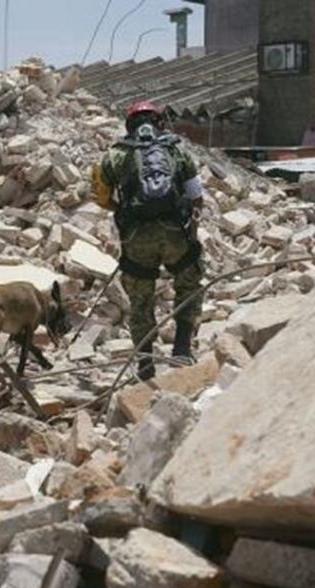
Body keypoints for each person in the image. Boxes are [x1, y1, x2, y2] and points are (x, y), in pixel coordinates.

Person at [91, 100, 206, 380]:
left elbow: (100, 197)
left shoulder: (114, 156)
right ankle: (181, 347)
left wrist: (124, 210)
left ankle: (144, 362)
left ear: (129, 126)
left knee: (140, 298)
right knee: (188, 283)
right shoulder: (177, 149)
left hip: (136, 236)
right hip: (175, 232)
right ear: (159, 123)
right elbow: (197, 197)